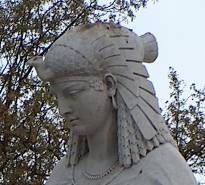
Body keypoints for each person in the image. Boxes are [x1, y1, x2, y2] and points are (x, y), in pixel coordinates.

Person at [28, 22, 197, 185]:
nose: (62, 109)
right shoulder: (61, 176)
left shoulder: (163, 170)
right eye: (57, 97)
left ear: (109, 85)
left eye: (73, 93)